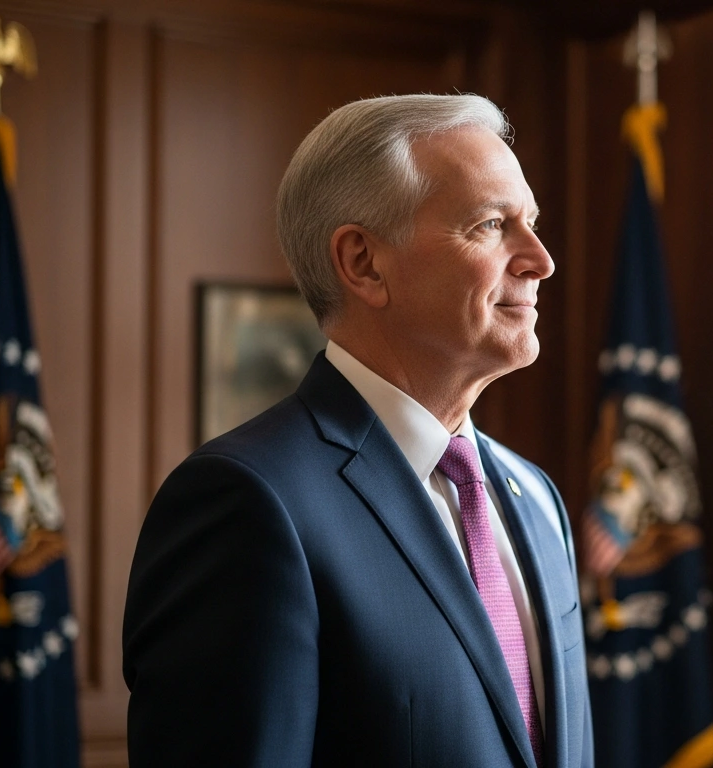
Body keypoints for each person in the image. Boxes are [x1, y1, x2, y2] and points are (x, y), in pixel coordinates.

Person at [122, 94, 591, 768]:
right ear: (364, 263)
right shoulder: (248, 504)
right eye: (492, 224)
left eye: (533, 223)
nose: (540, 260)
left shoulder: (536, 498)